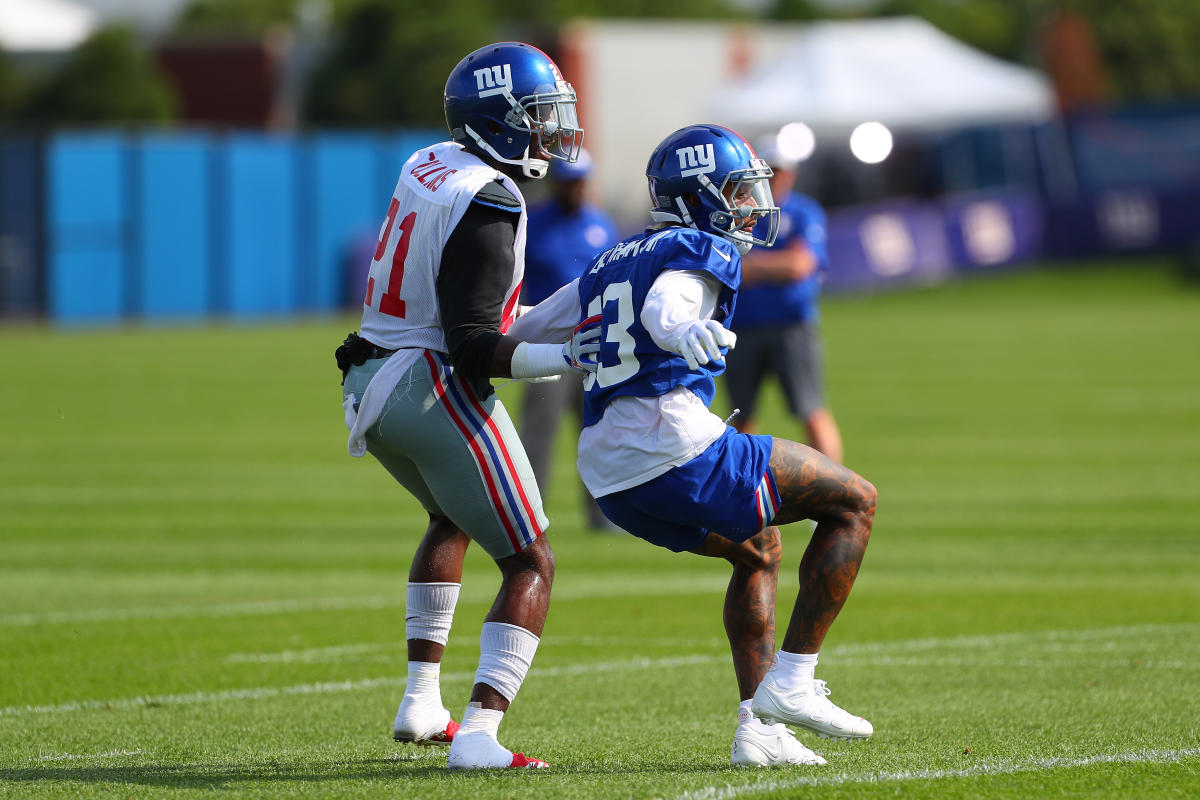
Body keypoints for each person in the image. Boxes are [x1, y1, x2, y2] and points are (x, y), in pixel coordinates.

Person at [509, 124, 877, 767]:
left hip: (609, 474)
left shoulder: (610, 256)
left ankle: (757, 727)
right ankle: (791, 681)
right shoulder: (700, 246)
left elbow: (522, 329)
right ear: (697, 196)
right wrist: (681, 331)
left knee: (758, 550)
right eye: (736, 191)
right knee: (855, 500)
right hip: (669, 444)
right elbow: (665, 305)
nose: (749, 206)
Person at [335, 42, 599, 771]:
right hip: (427, 382)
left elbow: (474, 311)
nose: (552, 129)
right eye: (538, 115)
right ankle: (479, 735)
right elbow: (477, 346)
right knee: (532, 561)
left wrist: (573, 308)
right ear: (499, 120)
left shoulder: (431, 159)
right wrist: (572, 357)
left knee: (450, 515)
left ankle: (423, 699)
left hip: (370, 380)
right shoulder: (493, 196)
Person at [725, 136, 843, 462]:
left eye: (782, 171)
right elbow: (728, 268)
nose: (777, 179)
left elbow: (799, 265)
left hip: (792, 325)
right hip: (741, 327)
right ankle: (742, 499)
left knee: (811, 409)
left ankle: (832, 499)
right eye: (770, 172)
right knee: (741, 418)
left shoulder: (803, 211)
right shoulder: (739, 212)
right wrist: (771, 267)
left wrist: (754, 267)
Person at [520, 149, 618, 530]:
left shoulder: (601, 224)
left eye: (582, 181)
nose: (577, 189)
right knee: (538, 433)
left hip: (595, 345)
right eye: (569, 181)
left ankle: (602, 515)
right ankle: (528, 514)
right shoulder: (533, 222)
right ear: (555, 182)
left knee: (597, 432)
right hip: (547, 344)